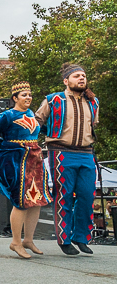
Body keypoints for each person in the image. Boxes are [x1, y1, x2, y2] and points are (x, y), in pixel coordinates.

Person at [35, 64, 99, 256]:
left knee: (88, 195)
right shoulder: (53, 99)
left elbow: (93, 126)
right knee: (64, 194)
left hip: (87, 153)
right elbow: (37, 121)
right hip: (61, 151)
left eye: (84, 76)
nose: (81, 78)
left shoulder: (93, 102)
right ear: (66, 80)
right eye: (77, 76)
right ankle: (65, 239)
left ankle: (82, 237)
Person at [0, 81, 52, 259]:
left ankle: (28, 239)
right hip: (16, 161)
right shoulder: (6, 116)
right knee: (21, 200)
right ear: (15, 98)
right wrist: (8, 147)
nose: (28, 97)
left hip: (34, 159)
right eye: (24, 95)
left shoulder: (32, 114)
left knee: (36, 199)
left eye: (30, 94)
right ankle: (16, 241)